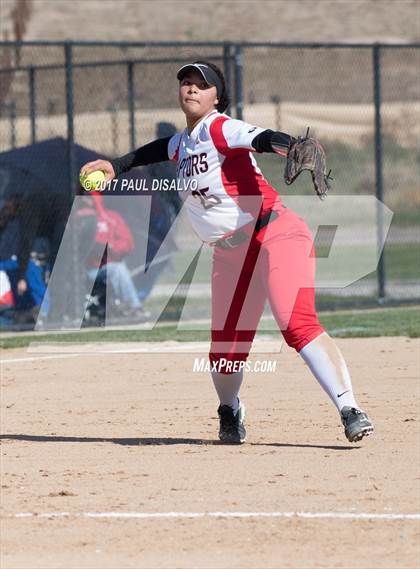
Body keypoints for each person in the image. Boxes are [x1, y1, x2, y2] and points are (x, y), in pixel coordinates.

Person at [81, 60, 374, 445]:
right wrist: (117, 166)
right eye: (186, 82)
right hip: (229, 255)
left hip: (273, 235)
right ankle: (230, 409)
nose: (191, 89)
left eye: (201, 85)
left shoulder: (220, 126)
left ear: (217, 96)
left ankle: (350, 408)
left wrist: (290, 146)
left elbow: (259, 137)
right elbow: (155, 150)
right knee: (224, 354)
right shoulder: (183, 142)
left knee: (295, 322)